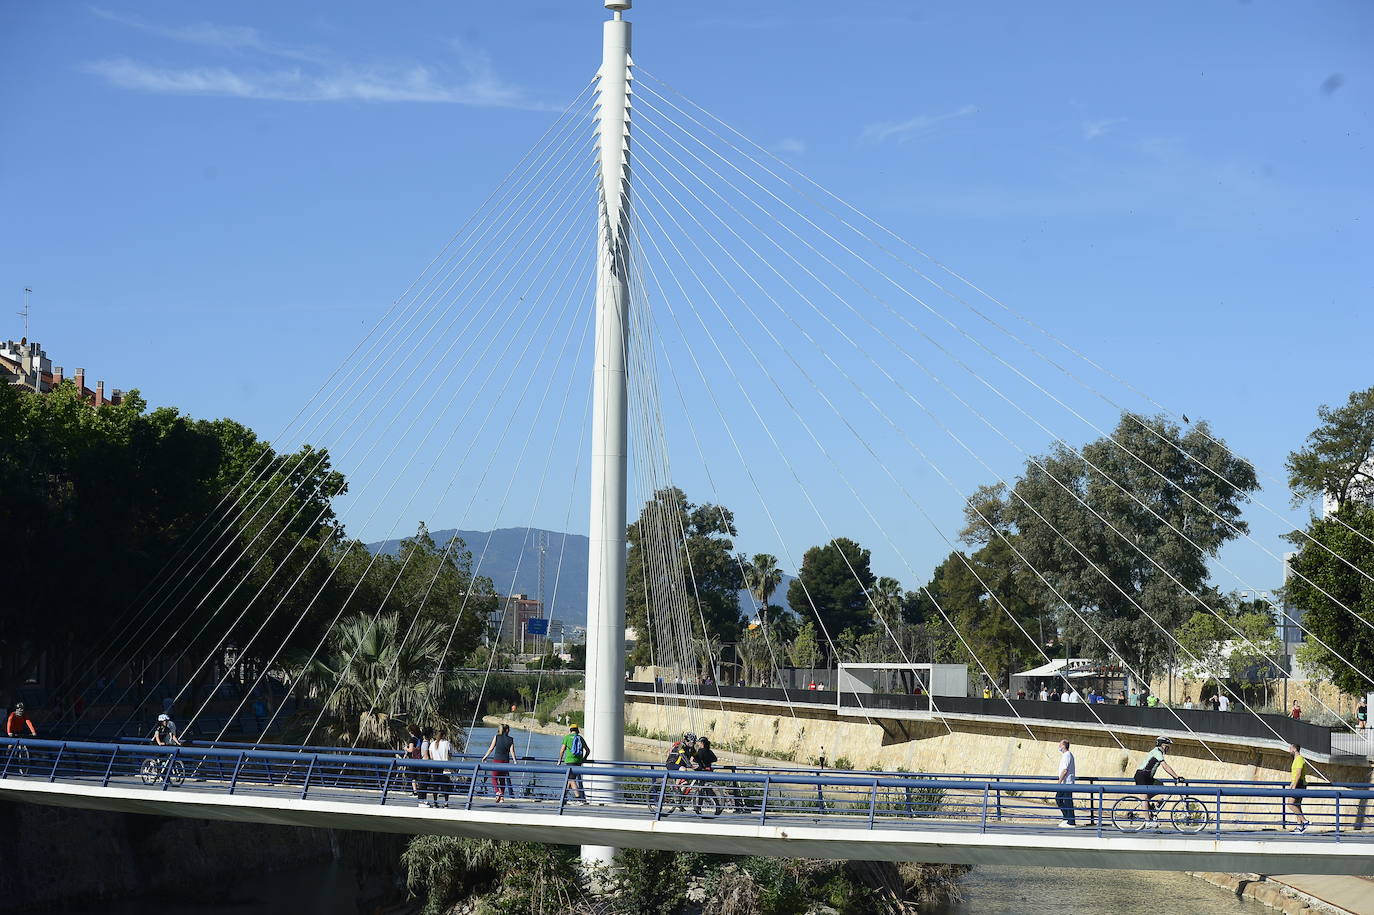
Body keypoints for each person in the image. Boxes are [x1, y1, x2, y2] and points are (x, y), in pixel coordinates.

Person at [1134, 737, 1185, 824]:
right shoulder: (1157, 752)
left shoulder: (1157, 752)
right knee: (1145, 797)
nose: (1168, 748)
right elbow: (1165, 766)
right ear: (1162, 745)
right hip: (1141, 775)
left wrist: (1174, 777)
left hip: (1147, 777)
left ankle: (1153, 806)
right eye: (1167, 746)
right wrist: (1176, 777)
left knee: (1161, 786)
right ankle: (1147, 821)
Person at [482, 723, 518, 803]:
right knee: (502, 779)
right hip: (505, 761)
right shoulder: (511, 739)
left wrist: (485, 757)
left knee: (494, 778)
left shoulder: (497, 737)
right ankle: (502, 798)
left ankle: (497, 792)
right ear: (507, 730)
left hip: (497, 760)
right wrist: (515, 761)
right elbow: (512, 751)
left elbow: (491, 748)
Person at [559, 724, 590, 804]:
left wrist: (559, 760)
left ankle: (579, 798)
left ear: (570, 730)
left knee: (571, 780)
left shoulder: (567, 737)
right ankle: (563, 798)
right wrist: (584, 758)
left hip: (570, 762)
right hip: (578, 762)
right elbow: (588, 750)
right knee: (570, 779)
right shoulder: (580, 738)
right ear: (577, 730)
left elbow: (562, 750)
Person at [1287, 742, 1310, 833]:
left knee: (1290, 804)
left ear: (1294, 749)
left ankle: (1305, 821)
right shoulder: (1296, 759)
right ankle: (1300, 826)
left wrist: (1294, 786)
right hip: (1298, 784)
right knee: (1297, 805)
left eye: (1290, 748)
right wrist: (1292, 784)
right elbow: (1295, 775)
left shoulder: (1299, 759)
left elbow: (1298, 774)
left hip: (1299, 784)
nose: (1289, 750)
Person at [429, 729, 454, 808]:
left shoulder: (432, 744)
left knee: (435, 786)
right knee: (445, 785)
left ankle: (435, 802)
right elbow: (450, 754)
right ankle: (446, 803)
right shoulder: (447, 743)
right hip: (445, 766)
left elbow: (431, 756)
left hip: (435, 766)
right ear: (444, 735)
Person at [1055, 739, 1077, 827]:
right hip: (1064, 783)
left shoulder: (1067, 755)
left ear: (1064, 746)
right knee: (1059, 799)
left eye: (1060, 745)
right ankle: (1066, 817)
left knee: (1067, 801)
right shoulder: (1065, 755)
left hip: (1066, 783)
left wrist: (1059, 782)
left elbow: (1065, 770)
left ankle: (1071, 822)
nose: (1059, 746)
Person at [403, 725, 426, 806]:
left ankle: (415, 791)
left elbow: (411, 749)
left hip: (413, 760)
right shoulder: (419, 739)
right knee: (418, 776)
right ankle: (417, 791)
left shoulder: (412, 739)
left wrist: (405, 748)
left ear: (411, 732)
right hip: (419, 759)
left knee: (413, 776)